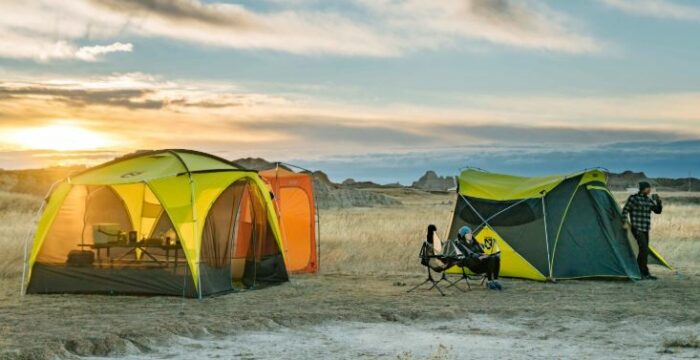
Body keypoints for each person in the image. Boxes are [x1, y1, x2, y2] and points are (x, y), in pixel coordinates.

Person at [622, 181, 663, 280]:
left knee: (643, 251)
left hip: (645, 228)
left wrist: (659, 202)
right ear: (643, 189)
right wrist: (624, 223)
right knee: (644, 250)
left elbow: (657, 211)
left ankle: (641, 272)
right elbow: (625, 211)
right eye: (648, 188)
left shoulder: (648, 200)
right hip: (637, 228)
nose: (650, 190)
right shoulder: (633, 198)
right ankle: (643, 273)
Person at [455, 226, 502, 290]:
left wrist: (483, 254)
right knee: (490, 259)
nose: (470, 234)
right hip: (474, 265)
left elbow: (481, 252)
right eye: (468, 233)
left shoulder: (474, 242)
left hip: (481, 261)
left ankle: (496, 280)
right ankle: (489, 281)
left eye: (471, 233)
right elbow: (465, 256)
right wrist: (479, 256)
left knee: (496, 258)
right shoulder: (461, 244)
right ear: (463, 235)